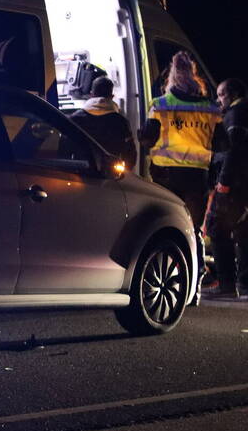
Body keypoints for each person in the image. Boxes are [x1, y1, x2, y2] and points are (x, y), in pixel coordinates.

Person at [141, 51, 223, 229]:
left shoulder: (160, 104)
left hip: (164, 175)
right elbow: (223, 144)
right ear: (194, 76)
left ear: (171, 77)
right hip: (197, 177)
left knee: (164, 223)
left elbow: (147, 140)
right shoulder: (211, 108)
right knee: (192, 228)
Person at [204, 78, 248, 299]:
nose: (218, 99)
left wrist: (224, 182)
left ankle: (226, 284)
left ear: (233, 94)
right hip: (243, 183)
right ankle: (245, 284)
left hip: (234, 183)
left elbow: (233, 150)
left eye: (221, 95)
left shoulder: (235, 114)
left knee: (216, 227)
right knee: (243, 231)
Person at [69, 76, 136, 168]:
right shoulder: (122, 122)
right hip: (110, 172)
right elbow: (130, 157)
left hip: (80, 171)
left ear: (91, 94)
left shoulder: (75, 118)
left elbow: (65, 150)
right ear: (112, 97)